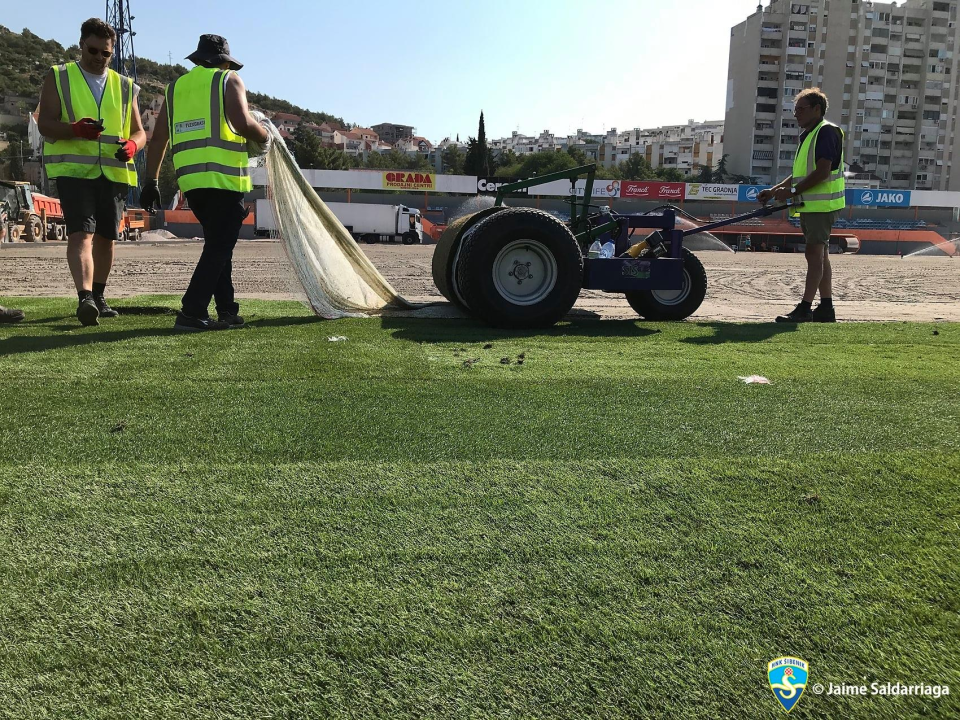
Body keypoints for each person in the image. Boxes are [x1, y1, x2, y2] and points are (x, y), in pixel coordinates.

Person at [141, 34, 269, 332]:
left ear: (197, 59)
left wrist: (152, 180)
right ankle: (192, 311)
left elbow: (159, 139)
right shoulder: (228, 80)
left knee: (218, 245)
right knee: (220, 246)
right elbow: (240, 122)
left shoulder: (174, 89)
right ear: (224, 62)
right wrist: (264, 135)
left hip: (192, 183)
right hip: (223, 180)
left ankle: (226, 309)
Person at [37, 17, 145, 326]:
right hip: (74, 172)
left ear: (112, 52)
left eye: (105, 53)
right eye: (93, 51)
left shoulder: (125, 87)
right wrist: (74, 130)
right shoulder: (59, 76)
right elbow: (45, 124)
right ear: (81, 45)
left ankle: (98, 296)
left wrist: (134, 147)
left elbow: (139, 132)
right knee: (81, 233)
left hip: (113, 173)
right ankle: (85, 297)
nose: (99, 58)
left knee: (107, 238)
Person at [758, 88, 843, 323]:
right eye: (795, 109)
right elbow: (799, 174)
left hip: (821, 205)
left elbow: (823, 172)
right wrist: (776, 190)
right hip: (813, 204)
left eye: (801, 109)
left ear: (817, 109)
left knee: (814, 253)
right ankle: (826, 308)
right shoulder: (810, 134)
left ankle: (805, 308)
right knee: (821, 255)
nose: (796, 114)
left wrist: (792, 192)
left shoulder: (825, 132)